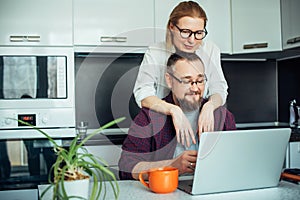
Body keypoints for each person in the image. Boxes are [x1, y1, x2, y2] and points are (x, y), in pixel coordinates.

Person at [119, 53, 235, 180]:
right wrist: (172, 165)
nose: (195, 88)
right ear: (170, 80)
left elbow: (236, 161)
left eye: (200, 80)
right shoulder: (149, 118)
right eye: (187, 81)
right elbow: (127, 168)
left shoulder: (222, 116)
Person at [133, 1, 228, 147]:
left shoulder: (210, 50)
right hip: (163, 127)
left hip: (200, 125)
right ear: (171, 27)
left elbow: (219, 89)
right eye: (185, 32)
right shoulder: (155, 52)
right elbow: (143, 92)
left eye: (198, 33)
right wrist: (173, 110)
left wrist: (209, 106)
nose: (191, 40)